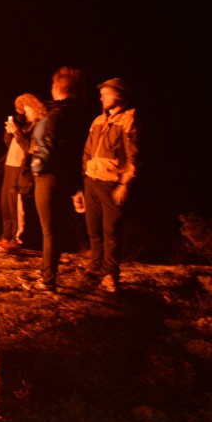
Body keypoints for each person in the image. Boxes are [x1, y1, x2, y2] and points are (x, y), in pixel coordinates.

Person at [21, 66, 91, 293]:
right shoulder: (79, 113)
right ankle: (48, 272)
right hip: (67, 177)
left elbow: (47, 146)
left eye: (53, 85)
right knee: (54, 228)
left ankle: (48, 280)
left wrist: (36, 168)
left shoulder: (57, 114)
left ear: (59, 88)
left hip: (49, 177)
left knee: (49, 229)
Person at [81, 78, 139, 293]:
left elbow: (135, 156)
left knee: (111, 231)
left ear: (119, 95)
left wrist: (126, 185)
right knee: (93, 229)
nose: (101, 97)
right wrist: (83, 182)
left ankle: (111, 274)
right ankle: (96, 266)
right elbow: (87, 152)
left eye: (106, 93)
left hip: (112, 183)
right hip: (92, 181)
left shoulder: (130, 120)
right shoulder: (97, 120)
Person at [0, 93, 46, 252]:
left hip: (22, 170)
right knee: (6, 204)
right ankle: (6, 237)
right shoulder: (25, 126)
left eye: (28, 111)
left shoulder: (40, 127)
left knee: (17, 207)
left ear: (36, 110)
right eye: (24, 111)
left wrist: (18, 133)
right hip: (9, 166)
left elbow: (31, 149)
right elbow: (10, 144)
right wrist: (10, 131)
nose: (25, 114)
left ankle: (18, 240)